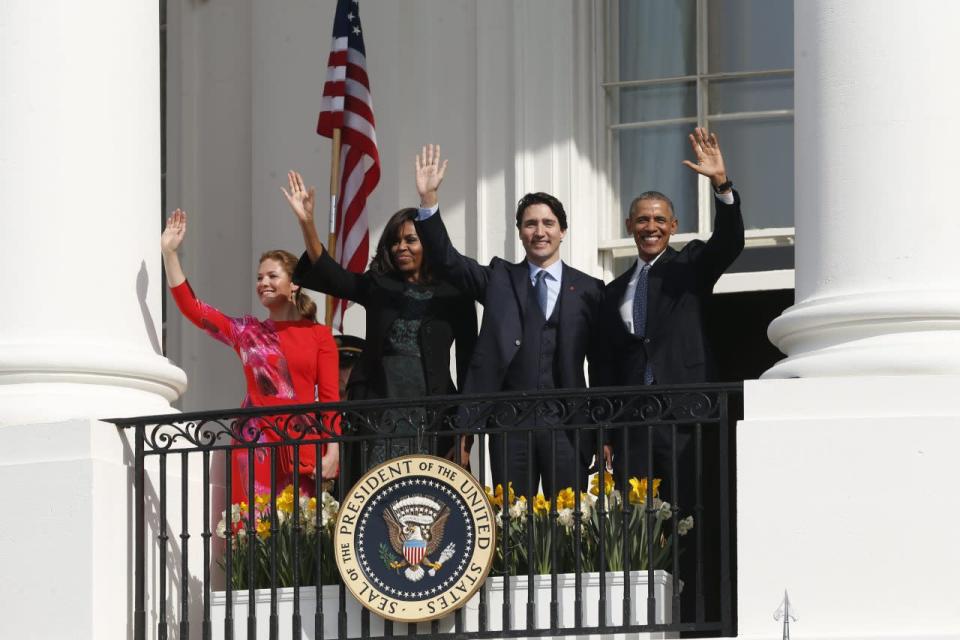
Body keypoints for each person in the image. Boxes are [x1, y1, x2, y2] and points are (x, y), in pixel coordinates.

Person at [413, 145, 605, 498]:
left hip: (568, 424)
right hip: (510, 424)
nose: (540, 231)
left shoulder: (590, 290)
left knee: (570, 521)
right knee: (514, 519)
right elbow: (449, 262)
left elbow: (603, 362)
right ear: (520, 232)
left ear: (563, 231)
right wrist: (429, 201)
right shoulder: (500, 279)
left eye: (548, 223)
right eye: (530, 224)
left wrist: (604, 433)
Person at [284, 164, 477, 472]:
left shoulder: (455, 294)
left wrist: (464, 438)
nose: (401, 247)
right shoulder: (378, 284)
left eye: (411, 240)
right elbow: (333, 276)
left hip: (434, 416)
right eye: (395, 241)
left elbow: (470, 368)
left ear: (429, 243)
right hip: (378, 412)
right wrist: (307, 224)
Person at [595, 127, 744, 486]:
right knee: (637, 520)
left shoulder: (690, 265)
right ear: (630, 225)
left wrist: (722, 186)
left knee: (688, 511)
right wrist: (605, 432)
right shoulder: (612, 292)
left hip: (684, 416)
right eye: (643, 219)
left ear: (673, 226)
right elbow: (605, 365)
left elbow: (728, 243)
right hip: (632, 422)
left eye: (660, 220)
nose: (651, 227)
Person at [161, 209, 340, 505]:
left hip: (303, 445)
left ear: (294, 283)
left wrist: (333, 450)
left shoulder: (320, 336)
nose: (263, 283)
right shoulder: (248, 332)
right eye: (259, 278)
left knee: (301, 533)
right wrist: (169, 254)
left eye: (272, 275)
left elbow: (331, 400)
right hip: (255, 442)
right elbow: (194, 309)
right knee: (254, 531)